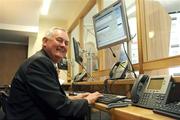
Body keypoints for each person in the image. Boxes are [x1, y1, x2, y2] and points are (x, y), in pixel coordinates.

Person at [6, 27, 102, 120]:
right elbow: (62, 108)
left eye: (66, 43)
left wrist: (76, 97)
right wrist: (87, 101)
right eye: (59, 40)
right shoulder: (39, 63)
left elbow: (51, 99)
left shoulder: (41, 60)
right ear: (45, 42)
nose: (63, 45)